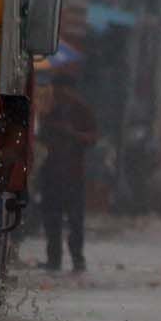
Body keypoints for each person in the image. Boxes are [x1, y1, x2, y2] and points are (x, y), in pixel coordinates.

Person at [35, 72, 98, 272]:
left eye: (62, 90)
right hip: (50, 172)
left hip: (73, 174)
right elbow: (39, 134)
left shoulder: (81, 109)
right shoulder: (48, 108)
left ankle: (77, 259)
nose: (59, 94)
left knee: (75, 220)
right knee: (51, 218)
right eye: (56, 90)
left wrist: (73, 135)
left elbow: (93, 136)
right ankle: (54, 259)